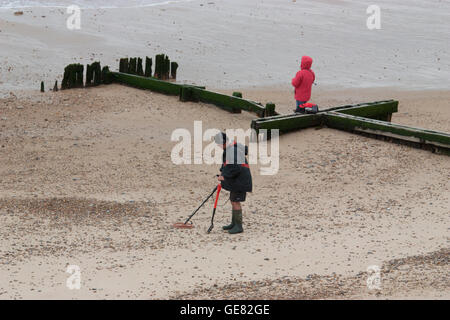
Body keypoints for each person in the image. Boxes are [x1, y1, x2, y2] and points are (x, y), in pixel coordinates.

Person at [215, 132, 252, 234]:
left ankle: (239, 226)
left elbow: (236, 167)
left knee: (235, 201)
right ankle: (233, 223)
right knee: (233, 200)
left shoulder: (232, 150)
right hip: (237, 180)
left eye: (218, 144)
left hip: (241, 181)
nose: (218, 146)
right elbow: (227, 164)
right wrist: (222, 172)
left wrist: (225, 176)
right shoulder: (229, 149)